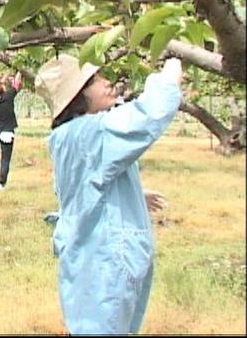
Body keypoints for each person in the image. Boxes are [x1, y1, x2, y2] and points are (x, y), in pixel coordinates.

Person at [34, 53, 182, 334]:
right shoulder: (89, 133)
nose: (106, 83)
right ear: (78, 96)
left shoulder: (70, 135)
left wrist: (133, 193)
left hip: (91, 261)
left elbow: (83, 187)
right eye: (94, 80)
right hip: (102, 263)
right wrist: (169, 73)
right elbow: (147, 115)